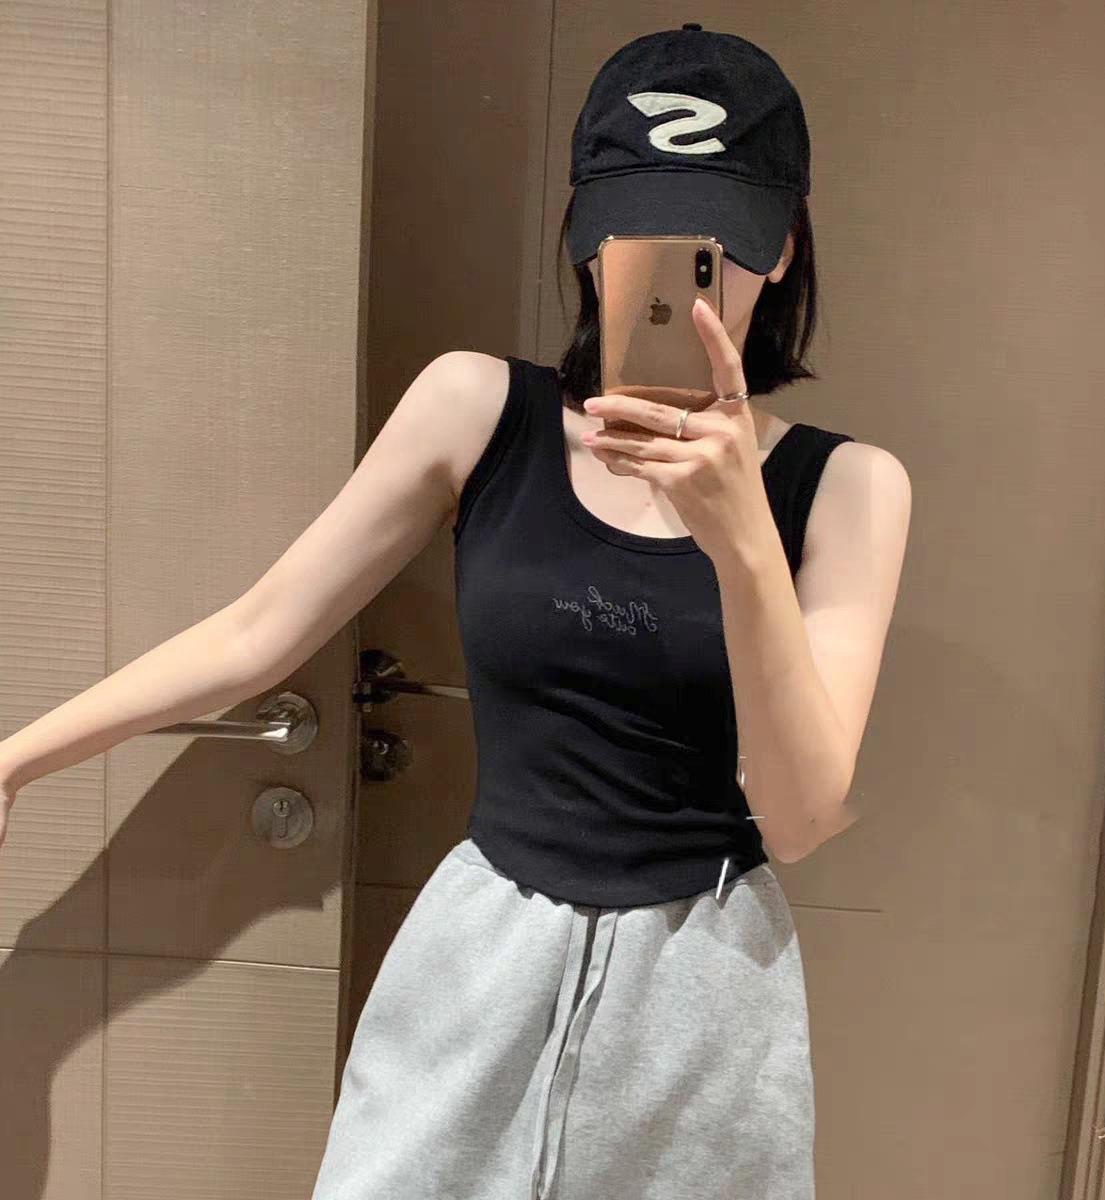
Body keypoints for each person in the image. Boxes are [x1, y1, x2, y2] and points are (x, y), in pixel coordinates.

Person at [0, 23, 911, 1200]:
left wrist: (743, 543)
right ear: (585, 239)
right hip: (481, 960)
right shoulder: (478, 411)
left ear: (782, 247)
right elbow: (257, 631)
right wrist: (16, 760)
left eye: (720, 246)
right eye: (643, 236)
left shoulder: (847, 489)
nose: (686, 285)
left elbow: (798, 815)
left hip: (703, 994)